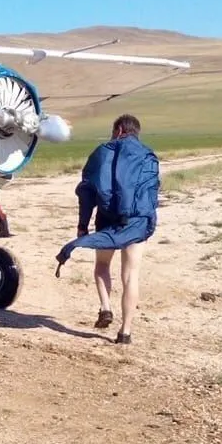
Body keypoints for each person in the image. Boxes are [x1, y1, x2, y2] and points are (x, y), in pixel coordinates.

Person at [55, 114, 160, 344]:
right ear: (136, 132)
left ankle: (105, 306)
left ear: (119, 129)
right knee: (131, 276)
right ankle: (125, 332)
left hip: (107, 219)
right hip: (137, 223)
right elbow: (151, 194)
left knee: (102, 265)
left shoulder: (102, 152)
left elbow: (87, 192)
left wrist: (82, 225)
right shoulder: (148, 155)